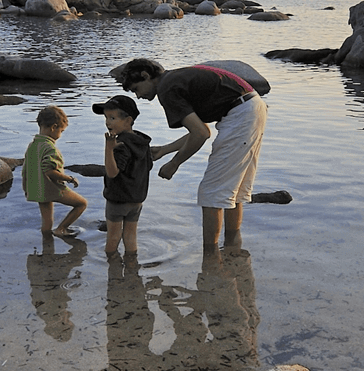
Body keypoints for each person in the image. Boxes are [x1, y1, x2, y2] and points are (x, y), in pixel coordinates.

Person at [110, 59, 267, 250]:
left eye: (136, 88)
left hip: (240, 114)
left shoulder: (167, 88)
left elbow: (200, 134)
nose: (138, 96)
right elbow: (202, 130)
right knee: (233, 189)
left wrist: (174, 163)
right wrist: (165, 149)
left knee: (211, 193)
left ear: (146, 76)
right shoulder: (176, 77)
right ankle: (233, 245)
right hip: (252, 106)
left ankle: (210, 254)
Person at [94, 95, 153, 257]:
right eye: (106, 118)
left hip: (118, 200)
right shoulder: (142, 142)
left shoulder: (119, 145)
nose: (107, 122)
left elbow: (113, 172)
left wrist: (109, 148)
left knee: (113, 237)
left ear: (128, 121)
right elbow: (149, 165)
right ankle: (132, 266)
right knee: (131, 235)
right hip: (137, 199)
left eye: (112, 118)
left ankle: (112, 269)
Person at [24, 106, 87, 236]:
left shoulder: (32, 145)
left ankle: (47, 244)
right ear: (53, 127)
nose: (60, 135)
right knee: (81, 204)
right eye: (61, 131)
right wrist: (69, 178)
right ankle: (61, 229)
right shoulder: (50, 147)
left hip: (37, 188)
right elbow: (49, 172)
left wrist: (27, 188)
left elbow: (26, 169)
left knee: (47, 222)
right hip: (51, 188)